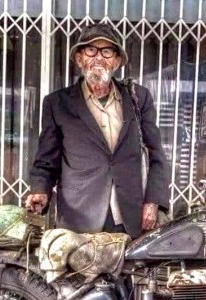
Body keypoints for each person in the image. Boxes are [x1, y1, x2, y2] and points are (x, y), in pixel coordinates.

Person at [25, 23, 170, 239]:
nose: (99, 57)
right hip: (78, 217)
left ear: (117, 61)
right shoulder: (57, 104)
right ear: (79, 59)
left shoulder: (139, 98)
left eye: (107, 51)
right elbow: (47, 160)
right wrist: (40, 190)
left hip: (129, 215)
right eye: (91, 50)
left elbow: (156, 153)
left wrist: (153, 201)